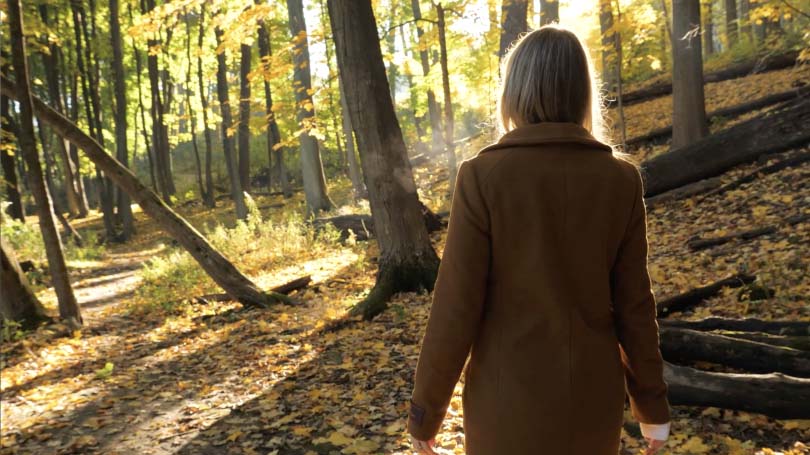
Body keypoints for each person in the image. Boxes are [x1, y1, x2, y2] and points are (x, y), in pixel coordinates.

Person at [407, 25, 671, 455]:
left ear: (513, 91)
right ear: (582, 91)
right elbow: (635, 307)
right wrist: (653, 409)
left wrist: (425, 412)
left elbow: (456, 304)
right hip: (592, 402)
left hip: (506, 404)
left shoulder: (483, 177)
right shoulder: (620, 180)